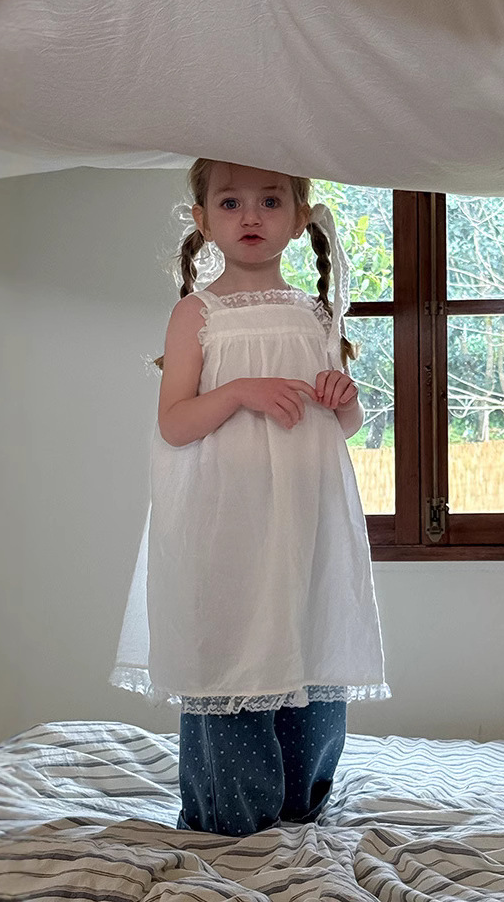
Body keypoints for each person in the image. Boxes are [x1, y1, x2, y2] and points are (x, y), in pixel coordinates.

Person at [110, 159, 390, 837]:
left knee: (305, 637)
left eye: (270, 200)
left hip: (304, 524)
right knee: (234, 643)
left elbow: (342, 425)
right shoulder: (196, 314)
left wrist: (343, 398)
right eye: (230, 202)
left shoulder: (316, 314)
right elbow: (174, 423)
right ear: (204, 221)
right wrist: (239, 391)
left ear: (298, 220)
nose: (251, 216)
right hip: (227, 524)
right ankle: (231, 818)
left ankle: (300, 806)